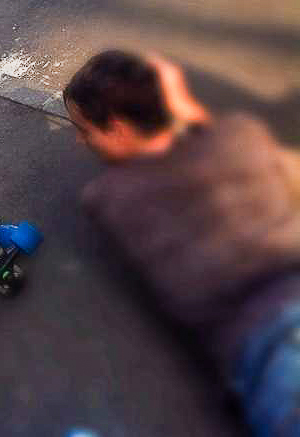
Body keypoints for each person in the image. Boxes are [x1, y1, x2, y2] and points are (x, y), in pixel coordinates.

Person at [64, 50, 300, 437]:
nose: (79, 139)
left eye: (85, 129)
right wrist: (186, 109)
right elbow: (213, 140)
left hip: (269, 345)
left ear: (118, 128)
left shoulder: (109, 199)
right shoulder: (242, 134)